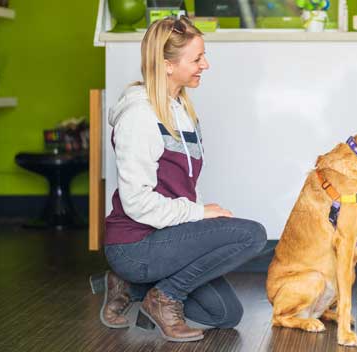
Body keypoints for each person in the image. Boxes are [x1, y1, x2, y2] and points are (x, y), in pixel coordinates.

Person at [94, 16, 267, 342]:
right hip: (135, 246)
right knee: (252, 236)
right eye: (197, 58)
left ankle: (132, 287)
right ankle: (162, 298)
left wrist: (195, 221)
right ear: (167, 64)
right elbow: (137, 203)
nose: (206, 64)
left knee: (226, 315)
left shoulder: (180, 109)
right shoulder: (139, 117)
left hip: (167, 239)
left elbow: (180, 185)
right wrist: (200, 214)